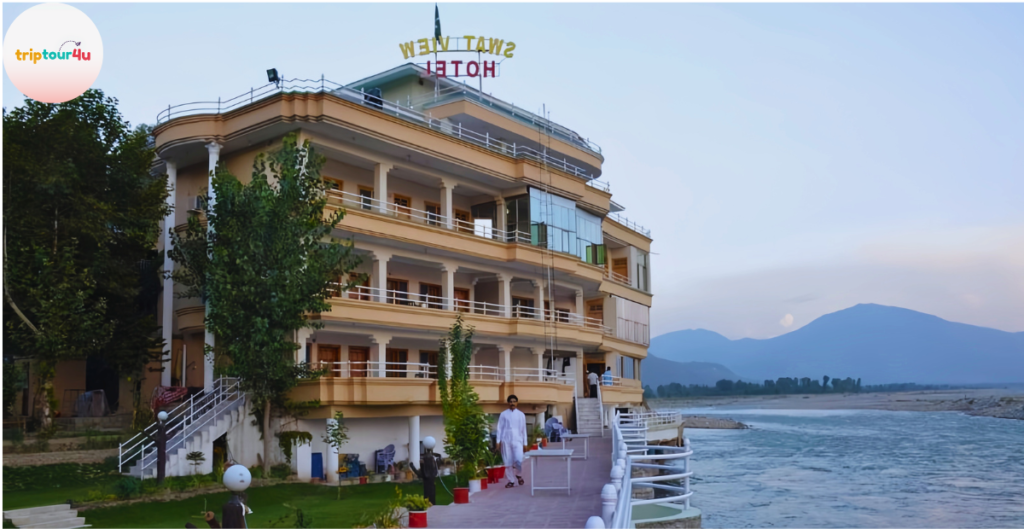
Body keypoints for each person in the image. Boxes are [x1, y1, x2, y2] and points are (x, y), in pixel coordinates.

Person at [496, 394, 527, 488]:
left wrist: (525, 443)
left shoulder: (521, 414)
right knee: (508, 462)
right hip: (506, 440)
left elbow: (523, 429)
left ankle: (518, 474)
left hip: (518, 440)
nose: (512, 403)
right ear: (508, 403)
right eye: (510, 402)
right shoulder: (503, 414)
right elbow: (499, 429)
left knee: (518, 460)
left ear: (517, 403)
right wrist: (498, 442)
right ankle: (511, 480)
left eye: (514, 401)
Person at [415, 436, 441, 505]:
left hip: (429, 482)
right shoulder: (431, 461)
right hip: (430, 481)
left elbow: (420, 473)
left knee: (428, 494)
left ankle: (429, 504)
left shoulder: (429, 460)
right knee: (430, 494)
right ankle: (430, 504)